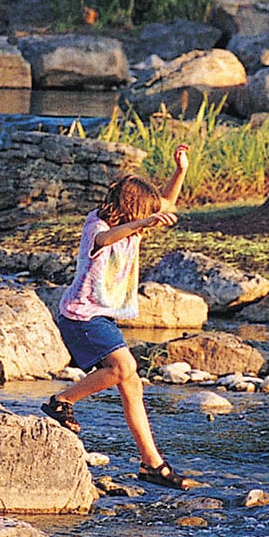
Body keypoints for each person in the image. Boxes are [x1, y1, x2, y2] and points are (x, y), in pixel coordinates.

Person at [41, 146, 197, 490]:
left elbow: (166, 204)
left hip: (102, 316)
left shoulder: (133, 225)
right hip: (81, 315)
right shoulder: (97, 223)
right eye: (142, 213)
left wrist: (180, 170)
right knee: (124, 368)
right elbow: (105, 239)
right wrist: (142, 223)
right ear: (130, 209)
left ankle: (152, 464)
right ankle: (61, 400)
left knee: (131, 384)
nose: (148, 220)